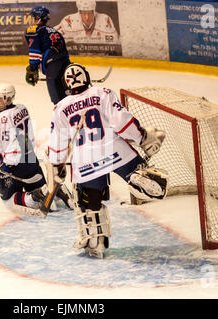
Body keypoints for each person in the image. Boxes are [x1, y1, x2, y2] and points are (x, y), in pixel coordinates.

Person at [48, 63, 169, 258]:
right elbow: (122, 121)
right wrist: (141, 137)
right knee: (138, 171)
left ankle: (96, 241)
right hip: (115, 151)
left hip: (85, 161)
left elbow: (57, 142)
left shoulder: (60, 108)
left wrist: (57, 165)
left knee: (87, 203)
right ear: (87, 78)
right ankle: (139, 177)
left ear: (66, 85)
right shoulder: (102, 93)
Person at [0, 83, 73, 217]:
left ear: (8, 99)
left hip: (14, 164)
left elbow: (7, 142)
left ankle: (36, 196)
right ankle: (57, 191)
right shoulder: (22, 108)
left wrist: (5, 167)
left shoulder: (2, 118)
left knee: (8, 201)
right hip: (30, 158)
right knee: (42, 190)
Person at [25, 6, 71, 105]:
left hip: (53, 64)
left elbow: (34, 52)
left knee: (56, 97)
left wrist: (33, 69)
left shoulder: (34, 30)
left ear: (39, 18)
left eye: (34, 17)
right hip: (65, 61)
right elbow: (64, 51)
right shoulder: (53, 30)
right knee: (69, 91)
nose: (32, 20)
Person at [54, 0, 120, 46]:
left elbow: (116, 42)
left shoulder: (105, 20)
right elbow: (53, 37)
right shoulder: (68, 21)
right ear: (79, 13)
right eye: (83, 13)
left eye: (89, 13)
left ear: (94, 12)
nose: (87, 17)